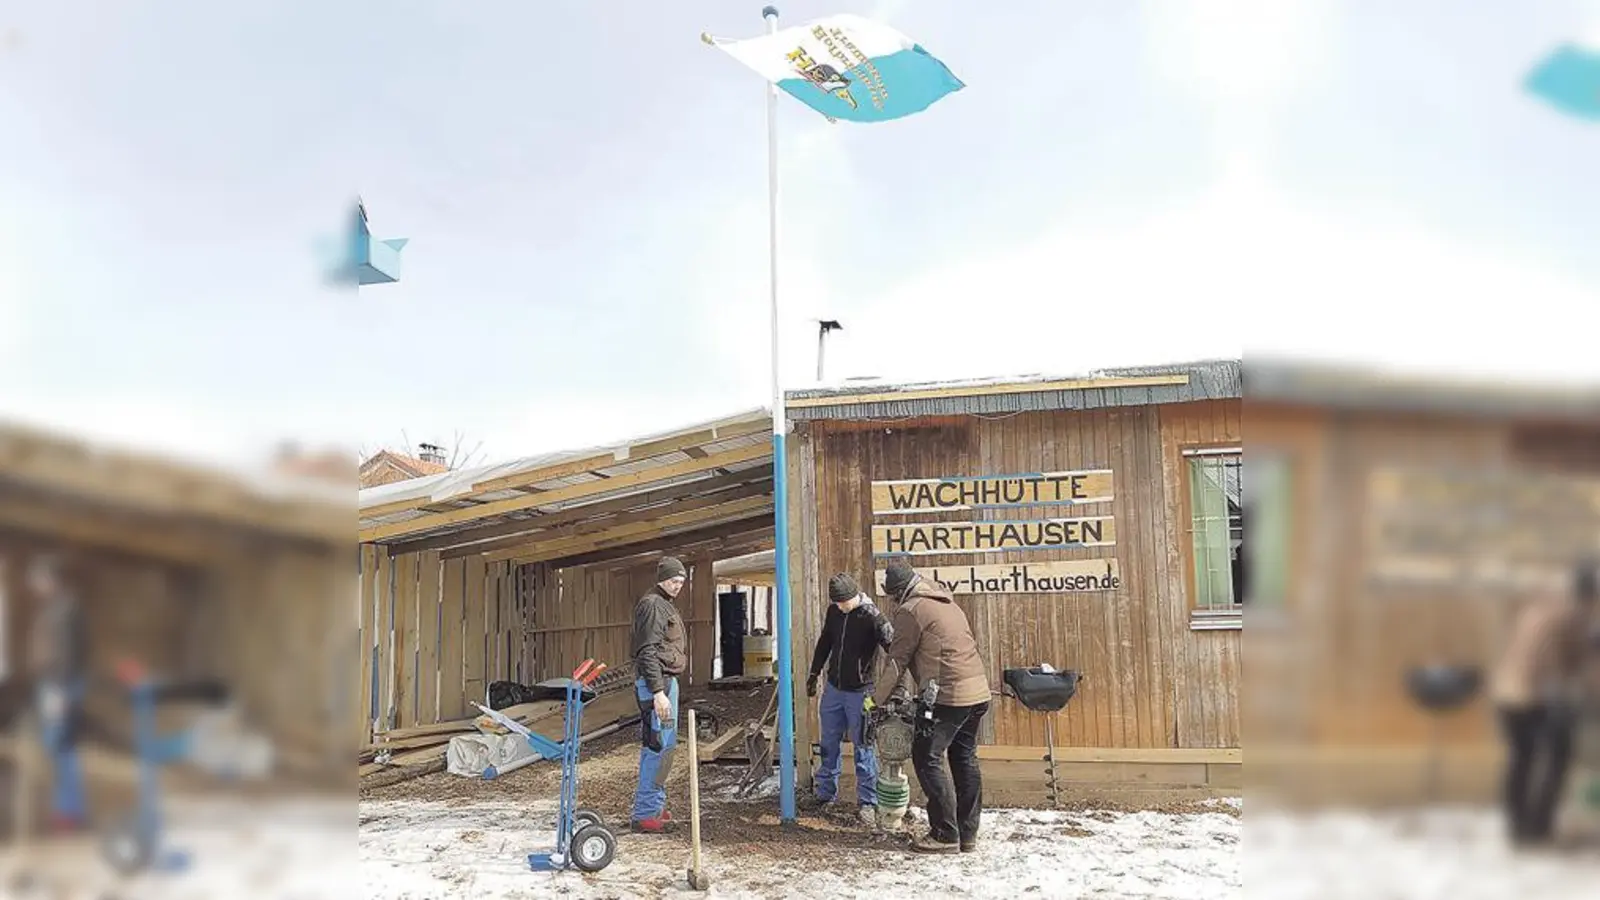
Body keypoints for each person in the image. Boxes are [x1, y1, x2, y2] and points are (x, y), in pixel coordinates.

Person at [873, 558, 990, 854]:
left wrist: (875, 700)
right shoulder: (945, 600)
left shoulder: (911, 610)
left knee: (927, 755)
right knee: (964, 757)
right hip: (978, 691)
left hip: (950, 695)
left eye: (891, 594)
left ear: (898, 591)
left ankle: (944, 834)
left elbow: (898, 660)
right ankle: (967, 833)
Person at [1489, 559, 1599, 846]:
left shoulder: (1540, 607)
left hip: (1507, 693)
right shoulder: (1575, 615)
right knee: (1558, 755)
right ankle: (1538, 827)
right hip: (1537, 696)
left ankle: (1519, 827)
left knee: (1522, 759)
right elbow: (1576, 663)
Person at [805, 572, 894, 823]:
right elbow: (825, 643)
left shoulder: (873, 617)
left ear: (856, 595)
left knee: (863, 745)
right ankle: (825, 793)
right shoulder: (835, 612)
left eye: (845, 602)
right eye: (837, 603)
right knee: (828, 742)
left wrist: (891, 688)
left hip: (861, 691)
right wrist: (814, 673)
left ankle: (868, 801)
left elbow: (895, 650)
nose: (841, 607)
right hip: (834, 688)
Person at [27, 554, 89, 833]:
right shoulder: (58, 607)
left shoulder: (65, 610)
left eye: (38, 580)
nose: (35, 586)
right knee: (59, 747)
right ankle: (66, 809)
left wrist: (61, 692)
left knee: (62, 747)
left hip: (59, 684)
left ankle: (69, 813)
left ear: (50, 580)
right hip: (55, 683)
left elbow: (68, 653)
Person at [630, 555, 689, 833]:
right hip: (659, 685)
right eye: (673, 580)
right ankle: (645, 814)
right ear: (661, 579)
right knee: (658, 747)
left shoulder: (664, 603)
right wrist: (657, 692)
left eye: (681, 581)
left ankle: (654, 805)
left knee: (661, 746)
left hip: (665, 684)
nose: (677, 586)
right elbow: (647, 651)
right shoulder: (654, 605)